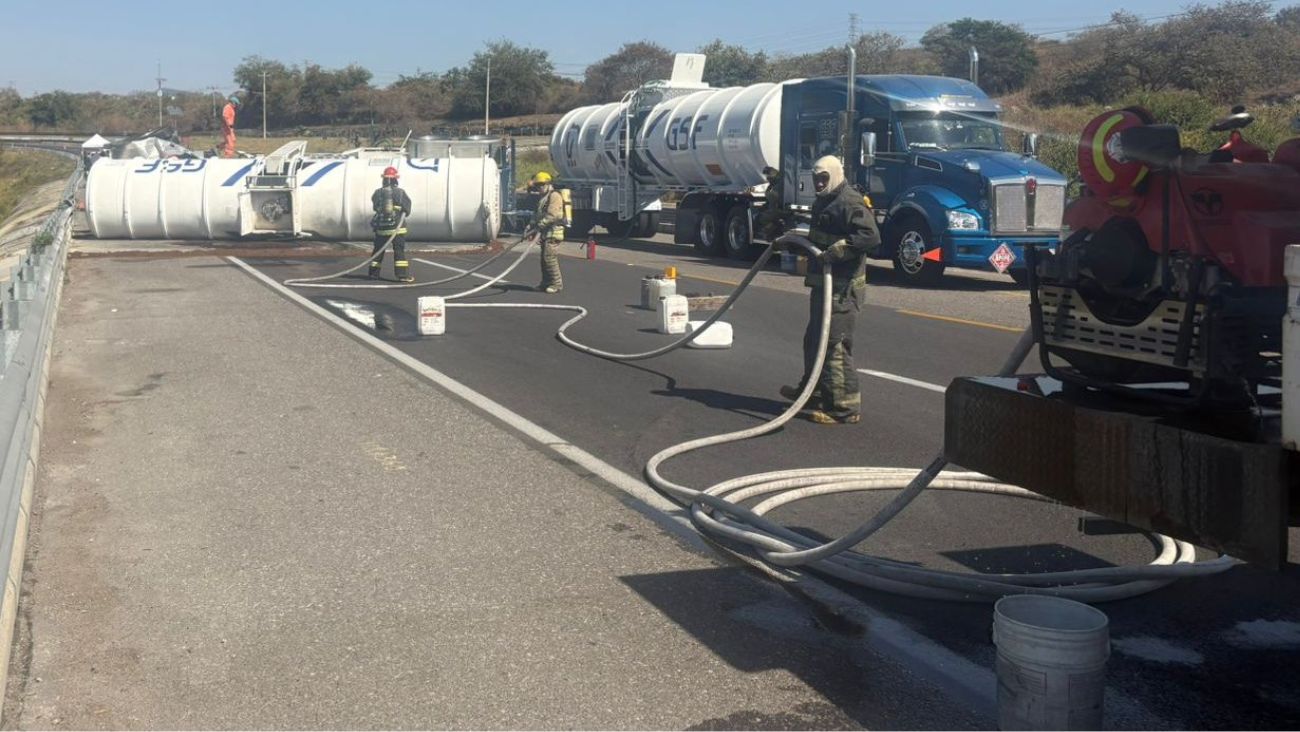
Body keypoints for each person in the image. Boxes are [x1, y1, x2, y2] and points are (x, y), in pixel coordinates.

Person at [779, 155, 880, 425]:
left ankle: (844, 409)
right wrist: (797, 243)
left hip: (843, 289)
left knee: (834, 346)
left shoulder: (849, 201)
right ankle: (813, 394)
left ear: (835, 175)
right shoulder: (825, 201)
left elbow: (870, 236)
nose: (819, 183)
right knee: (814, 340)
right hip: (824, 287)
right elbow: (820, 240)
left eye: (823, 178)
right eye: (816, 179)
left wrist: (836, 252)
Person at [369, 167, 414, 282]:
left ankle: (373, 274)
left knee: (378, 251)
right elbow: (407, 208)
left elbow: (375, 207)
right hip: (397, 229)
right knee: (398, 251)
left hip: (381, 228)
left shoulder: (377, 192)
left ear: (383, 179)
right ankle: (402, 275)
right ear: (395, 179)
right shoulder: (400, 192)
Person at [525, 171, 565, 294]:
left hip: (553, 232)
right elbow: (537, 215)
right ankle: (546, 283)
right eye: (537, 185)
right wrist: (529, 226)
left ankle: (556, 284)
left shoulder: (554, 196)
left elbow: (552, 215)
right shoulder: (543, 198)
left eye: (542, 185)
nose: (539, 187)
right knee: (544, 259)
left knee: (549, 258)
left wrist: (539, 226)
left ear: (548, 184)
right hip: (545, 233)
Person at [755, 166, 786, 241]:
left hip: (778, 209)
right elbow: (770, 199)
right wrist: (765, 205)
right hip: (773, 209)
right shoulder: (772, 184)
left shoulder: (779, 184)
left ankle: (773, 230)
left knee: (759, 219)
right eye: (766, 176)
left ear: (773, 174)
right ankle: (772, 231)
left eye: (768, 176)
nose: (767, 178)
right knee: (760, 216)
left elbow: (775, 198)